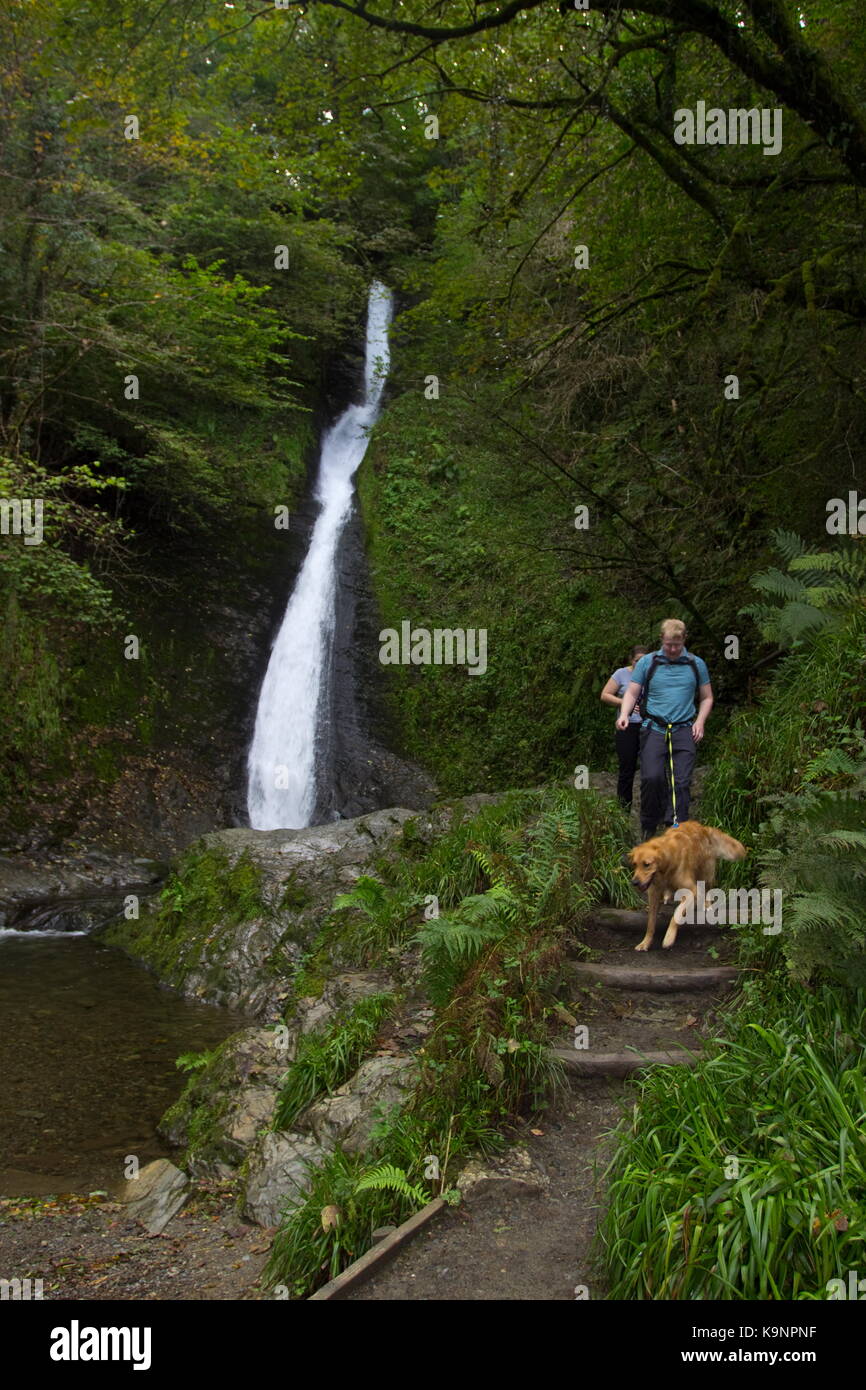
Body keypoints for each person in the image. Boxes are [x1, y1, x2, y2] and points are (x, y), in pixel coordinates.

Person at [616, 619, 713, 840]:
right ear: (662, 640)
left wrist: (700, 722)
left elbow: (707, 698)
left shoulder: (695, 664)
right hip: (654, 727)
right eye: (669, 644)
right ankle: (649, 828)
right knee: (651, 777)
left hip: (684, 728)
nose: (672, 649)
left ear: (684, 640)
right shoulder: (647, 663)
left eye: (676, 645)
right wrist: (624, 714)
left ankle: (676, 829)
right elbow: (631, 692)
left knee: (681, 781)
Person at [601, 645, 649, 810]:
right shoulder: (621, 674)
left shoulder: (653, 674)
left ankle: (652, 808)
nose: (640, 664)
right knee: (627, 768)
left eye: (644, 660)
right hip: (627, 725)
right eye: (637, 660)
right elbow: (605, 694)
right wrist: (624, 702)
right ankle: (623, 809)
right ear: (631, 660)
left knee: (652, 769)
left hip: (649, 726)